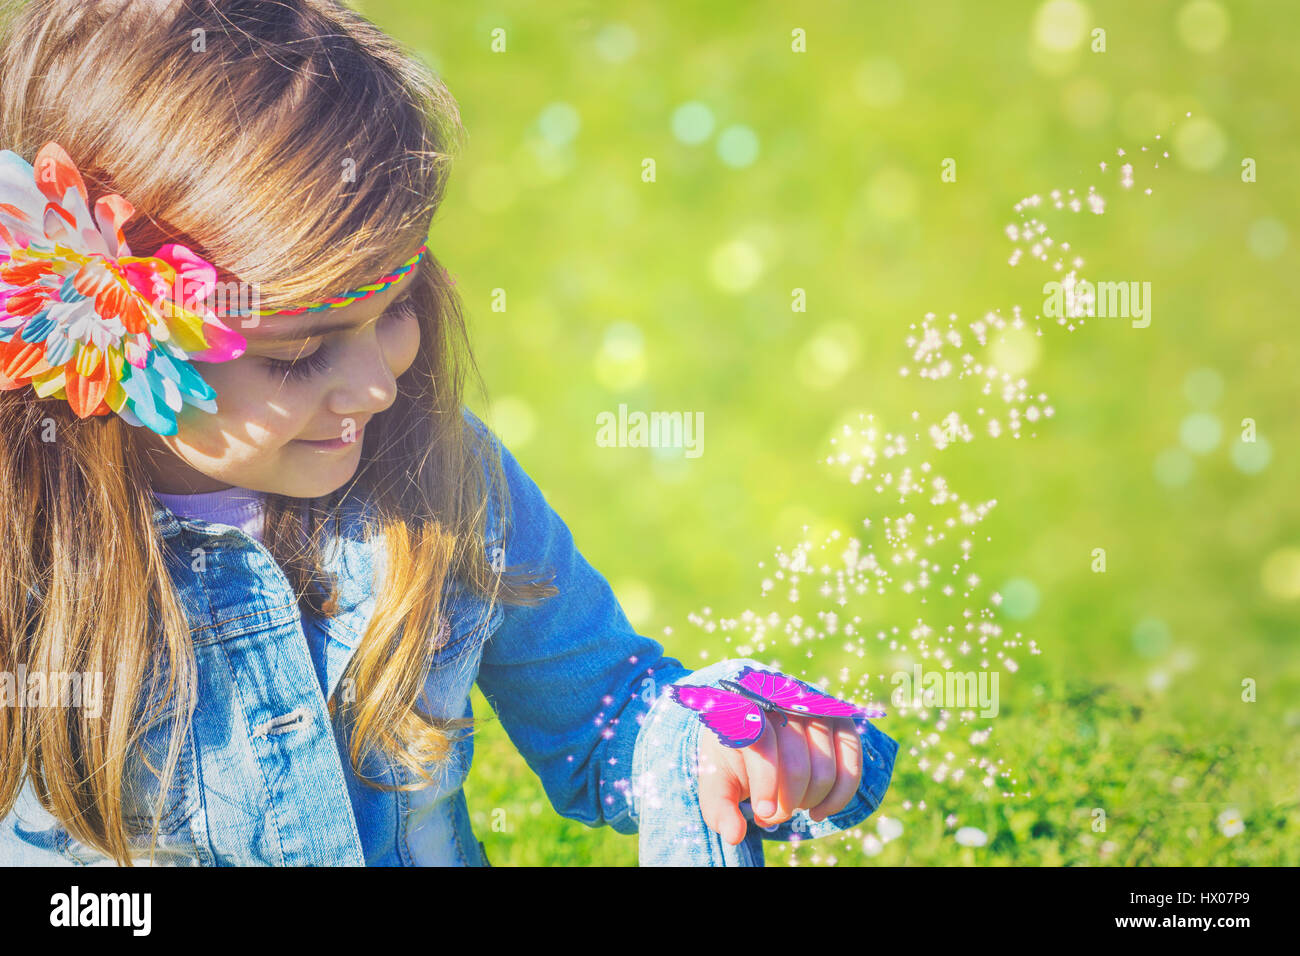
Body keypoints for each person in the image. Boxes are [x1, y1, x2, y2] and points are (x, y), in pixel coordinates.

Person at [0, 0, 896, 867]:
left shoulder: (441, 477)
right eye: (299, 354)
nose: (379, 383)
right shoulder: (26, 540)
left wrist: (716, 739)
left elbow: (606, 716)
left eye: (394, 311)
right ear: (94, 328)